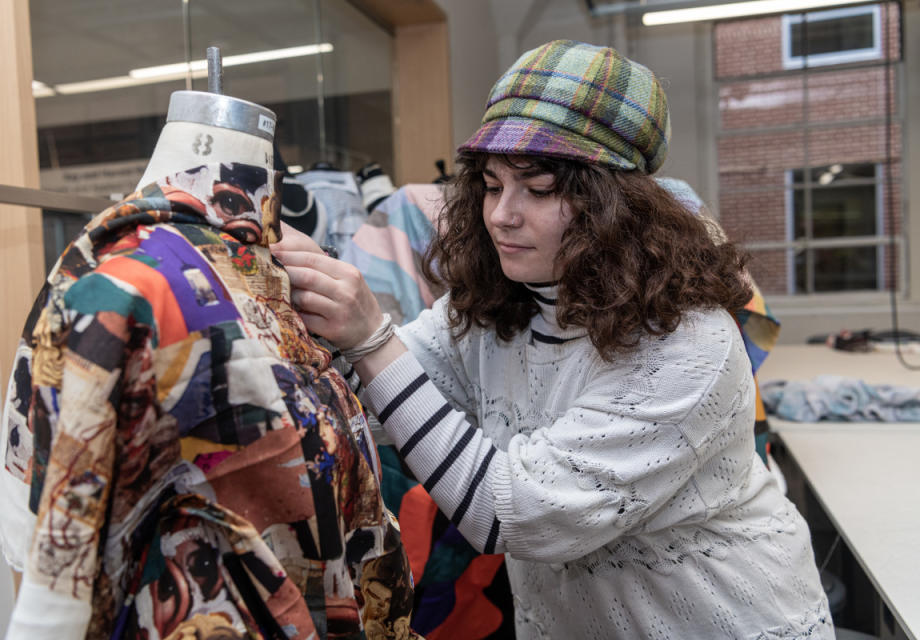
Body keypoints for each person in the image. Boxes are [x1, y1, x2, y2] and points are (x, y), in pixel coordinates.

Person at [272, 40, 833, 639]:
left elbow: (508, 515)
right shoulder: (496, 306)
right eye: (491, 185)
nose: (500, 215)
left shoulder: (688, 342)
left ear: (617, 205)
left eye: (538, 190)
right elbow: (373, 404)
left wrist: (372, 338)